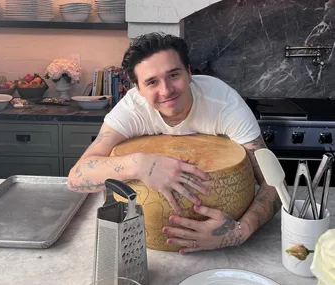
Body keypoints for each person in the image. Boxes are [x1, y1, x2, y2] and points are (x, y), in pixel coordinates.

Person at [67, 32, 281, 254]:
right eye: (151, 82)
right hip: (146, 247)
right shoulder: (131, 108)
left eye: (174, 75)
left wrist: (239, 232)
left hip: (228, 248)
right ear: (138, 89)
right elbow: (76, 177)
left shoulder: (224, 102)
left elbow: (275, 184)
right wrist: (140, 165)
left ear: (189, 73)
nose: (166, 90)